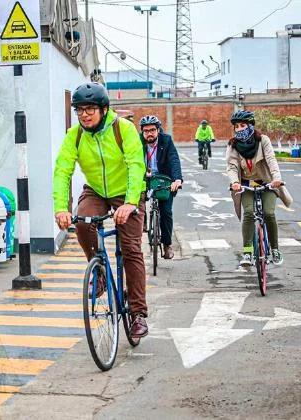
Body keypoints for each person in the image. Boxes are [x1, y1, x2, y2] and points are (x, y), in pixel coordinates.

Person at [53, 82, 150, 339]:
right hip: (96, 190)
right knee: (83, 222)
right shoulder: (74, 135)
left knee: (130, 249)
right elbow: (62, 171)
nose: (84, 114)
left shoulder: (123, 129)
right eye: (79, 110)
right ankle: (99, 271)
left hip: (127, 191)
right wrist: (61, 208)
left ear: (104, 109)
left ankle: (138, 314)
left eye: (90, 109)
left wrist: (130, 202)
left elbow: (136, 165)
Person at [227, 110, 292, 267]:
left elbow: (271, 160)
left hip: (267, 184)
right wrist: (235, 182)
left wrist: (277, 179)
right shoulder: (233, 145)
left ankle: (275, 249)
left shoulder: (263, 141)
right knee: (249, 213)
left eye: (243, 125)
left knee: (269, 213)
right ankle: (248, 252)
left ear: (250, 126)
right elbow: (231, 166)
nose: (239, 129)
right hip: (246, 185)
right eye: (237, 127)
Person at [139, 115, 183, 259]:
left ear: (158, 130)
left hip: (164, 179)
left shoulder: (166, 140)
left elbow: (174, 159)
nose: (149, 133)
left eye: (152, 130)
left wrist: (177, 179)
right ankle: (143, 221)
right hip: (143, 177)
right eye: (146, 131)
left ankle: (167, 245)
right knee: (137, 200)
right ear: (142, 132)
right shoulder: (137, 142)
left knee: (166, 211)